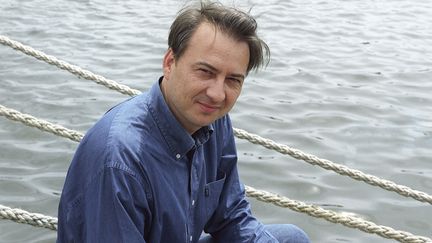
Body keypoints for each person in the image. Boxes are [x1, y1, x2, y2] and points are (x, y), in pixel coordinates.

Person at [57, 1, 310, 243]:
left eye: (233, 79)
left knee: (291, 238)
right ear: (170, 63)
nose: (217, 94)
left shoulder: (214, 120)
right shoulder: (120, 160)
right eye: (205, 72)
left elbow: (232, 216)